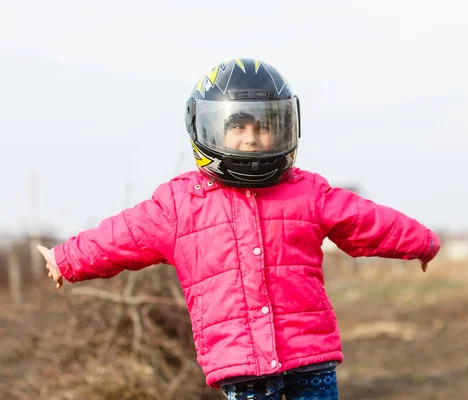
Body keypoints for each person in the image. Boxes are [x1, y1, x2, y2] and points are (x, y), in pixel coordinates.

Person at [38, 58, 440, 399]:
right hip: (240, 362)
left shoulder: (307, 191)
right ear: (209, 129)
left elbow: (367, 221)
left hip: (310, 353)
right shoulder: (181, 204)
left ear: (285, 126)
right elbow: (122, 236)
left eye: (264, 127)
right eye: (239, 127)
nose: (252, 138)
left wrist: (422, 242)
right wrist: (66, 259)